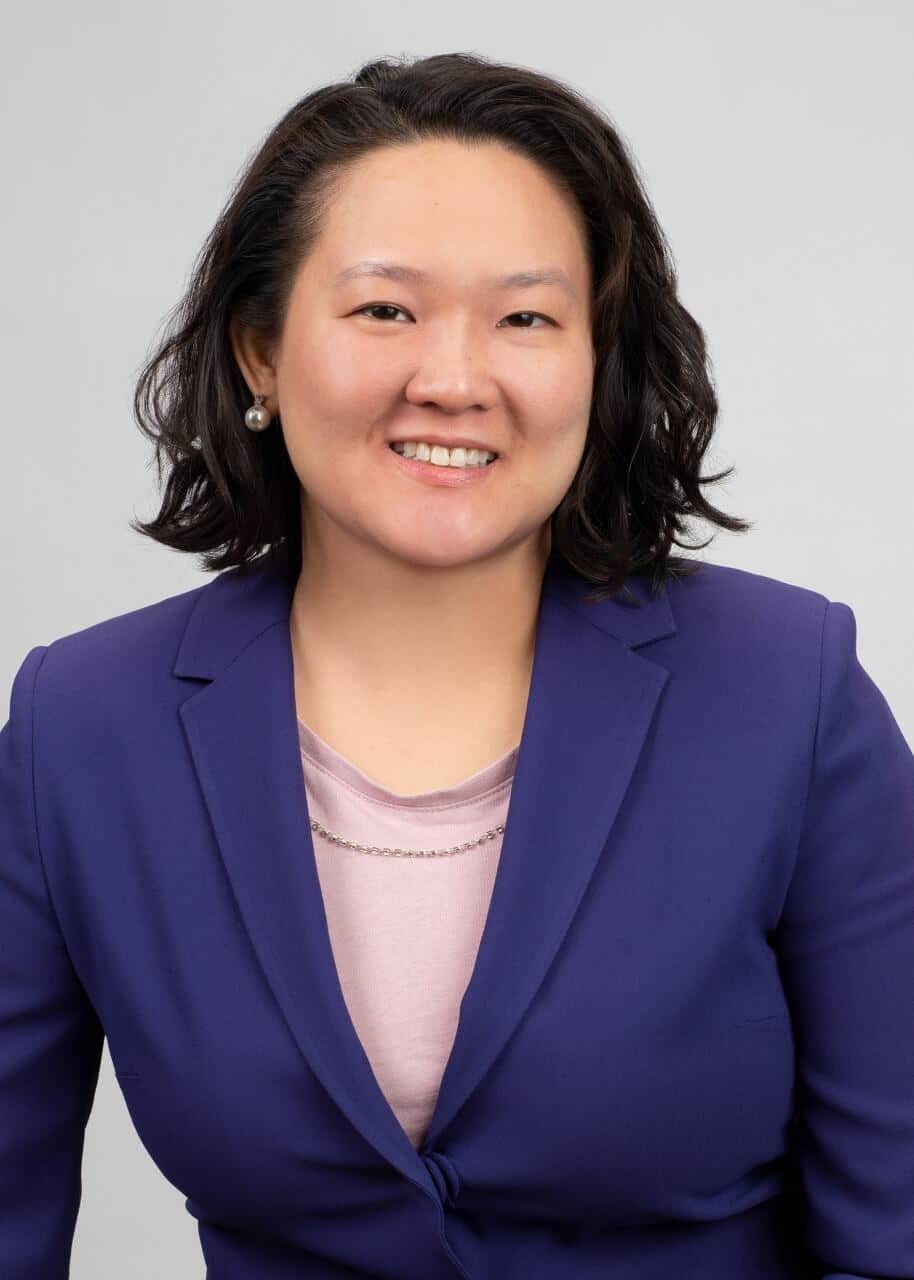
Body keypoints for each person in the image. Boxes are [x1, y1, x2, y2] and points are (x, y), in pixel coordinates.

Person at [1, 50, 912, 1280]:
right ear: (260, 352)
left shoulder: (789, 694)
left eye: (526, 317)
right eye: (385, 309)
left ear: (598, 359)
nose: (453, 378)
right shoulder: (78, 731)